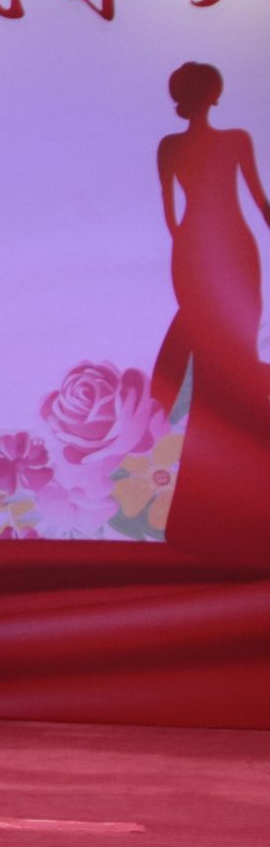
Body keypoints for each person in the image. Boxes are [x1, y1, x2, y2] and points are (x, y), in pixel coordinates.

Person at [152, 62, 270, 557]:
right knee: (226, 371)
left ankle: (220, 514)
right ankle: (220, 516)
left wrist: (191, 253)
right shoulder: (228, 141)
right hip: (226, 251)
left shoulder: (176, 146)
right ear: (214, 95)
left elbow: (173, 219)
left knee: (221, 373)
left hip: (203, 252)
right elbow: (261, 205)